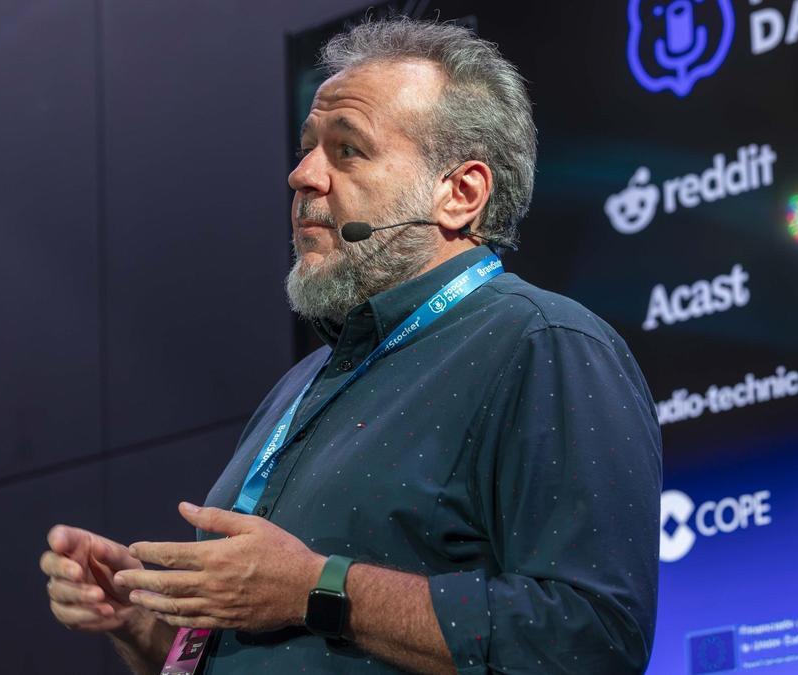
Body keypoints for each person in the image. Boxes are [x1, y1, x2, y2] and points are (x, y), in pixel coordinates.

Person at [40, 17, 663, 674]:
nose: (303, 175)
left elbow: (593, 638)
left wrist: (316, 586)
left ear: (460, 193)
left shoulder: (544, 344)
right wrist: (146, 627)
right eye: (307, 147)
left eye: (347, 150)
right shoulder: (302, 382)